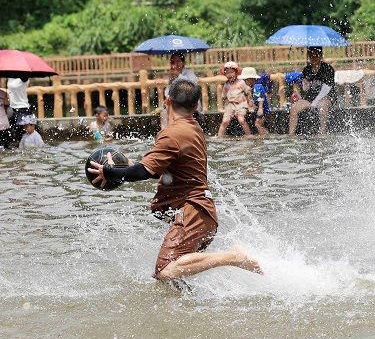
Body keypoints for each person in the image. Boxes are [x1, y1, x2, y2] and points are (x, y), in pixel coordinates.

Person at [86, 79, 262, 281]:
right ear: (196, 106)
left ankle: (232, 257)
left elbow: (144, 172)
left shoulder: (172, 133)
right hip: (201, 213)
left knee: (165, 271)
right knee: (175, 279)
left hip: (192, 212)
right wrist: (130, 165)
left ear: (167, 101)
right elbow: (158, 170)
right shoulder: (192, 127)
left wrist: (111, 173)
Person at [288, 47, 335, 135]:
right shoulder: (307, 69)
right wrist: (302, 86)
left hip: (325, 97)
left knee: (322, 105)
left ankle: (322, 131)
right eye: (311, 56)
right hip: (310, 98)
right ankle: (291, 134)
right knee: (294, 107)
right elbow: (305, 89)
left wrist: (315, 102)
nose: (313, 58)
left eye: (316, 55)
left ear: (320, 56)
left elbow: (326, 88)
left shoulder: (328, 69)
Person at [161, 53, 198, 128]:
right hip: (175, 105)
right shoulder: (171, 76)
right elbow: (167, 93)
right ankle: (164, 133)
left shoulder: (189, 73)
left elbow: (192, 86)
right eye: (173, 62)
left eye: (178, 61)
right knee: (163, 113)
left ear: (183, 63)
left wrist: (178, 75)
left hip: (188, 104)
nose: (176, 64)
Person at [217, 61, 252, 137]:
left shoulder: (241, 82)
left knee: (241, 120)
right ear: (225, 74)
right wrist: (223, 106)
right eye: (227, 73)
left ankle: (249, 135)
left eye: (232, 72)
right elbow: (224, 96)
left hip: (241, 104)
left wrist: (249, 104)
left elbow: (247, 93)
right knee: (225, 121)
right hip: (230, 105)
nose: (230, 74)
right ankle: (219, 136)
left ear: (236, 73)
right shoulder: (226, 85)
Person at [239, 66, 270, 135]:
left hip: (263, 110)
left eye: (245, 80)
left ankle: (265, 136)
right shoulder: (251, 88)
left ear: (251, 80)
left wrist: (260, 109)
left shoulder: (257, 87)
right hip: (258, 109)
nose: (243, 82)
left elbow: (260, 98)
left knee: (257, 124)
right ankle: (265, 135)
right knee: (258, 123)